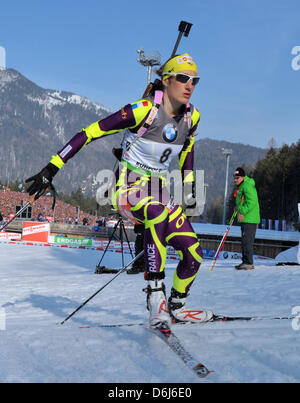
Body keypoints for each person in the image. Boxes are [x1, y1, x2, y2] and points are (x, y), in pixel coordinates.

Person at [25, 53, 213, 330]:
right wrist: (51, 168)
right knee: (157, 214)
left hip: (159, 191)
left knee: (193, 253)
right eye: (183, 78)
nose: (190, 85)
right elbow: (89, 132)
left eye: (195, 80)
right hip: (128, 188)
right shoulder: (143, 110)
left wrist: (190, 189)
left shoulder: (192, 117)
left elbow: (187, 152)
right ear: (167, 80)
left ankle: (176, 306)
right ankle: (155, 296)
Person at [233, 167, 260, 270]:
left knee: (247, 241)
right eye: (234, 178)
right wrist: (238, 209)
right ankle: (245, 261)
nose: (235, 180)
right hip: (246, 218)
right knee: (244, 241)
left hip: (250, 218)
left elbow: (252, 201)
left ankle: (248, 262)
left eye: (237, 177)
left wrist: (242, 211)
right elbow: (242, 202)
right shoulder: (242, 186)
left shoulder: (247, 185)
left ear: (243, 177)